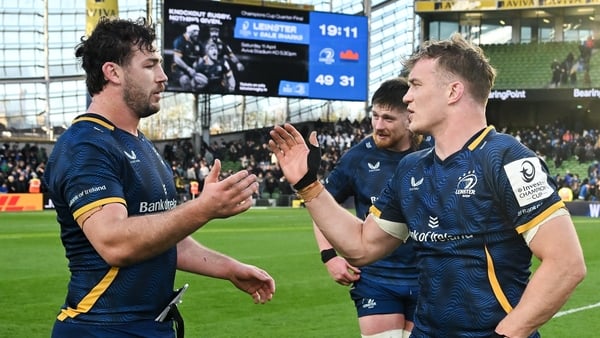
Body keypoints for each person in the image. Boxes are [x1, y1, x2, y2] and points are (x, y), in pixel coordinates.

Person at [269, 33, 586, 338]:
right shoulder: (411, 168)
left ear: (453, 92)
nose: (406, 96)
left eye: (416, 85)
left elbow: (566, 264)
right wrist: (308, 184)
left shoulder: (508, 159)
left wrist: (508, 333)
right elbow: (362, 246)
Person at [44, 17, 275, 338]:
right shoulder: (85, 145)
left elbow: (164, 238)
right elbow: (114, 242)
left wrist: (227, 268)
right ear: (113, 72)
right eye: (150, 65)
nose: (164, 77)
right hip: (100, 328)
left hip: (152, 327)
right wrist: (203, 209)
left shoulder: (141, 145)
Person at [313, 77, 420, 338]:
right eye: (375, 116)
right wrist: (329, 256)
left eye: (388, 119)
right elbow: (321, 206)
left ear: (409, 117)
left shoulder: (434, 151)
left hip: (428, 279)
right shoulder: (359, 157)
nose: (378, 126)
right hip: (375, 279)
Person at [171, 23, 206, 91]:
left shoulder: (197, 42)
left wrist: (199, 64)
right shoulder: (179, 40)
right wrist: (188, 69)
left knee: (204, 82)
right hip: (179, 69)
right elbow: (177, 59)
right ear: (189, 32)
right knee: (185, 80)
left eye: (198, 32)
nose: (197, 34)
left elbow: (205, 57)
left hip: (192, 70)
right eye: (195, 32)